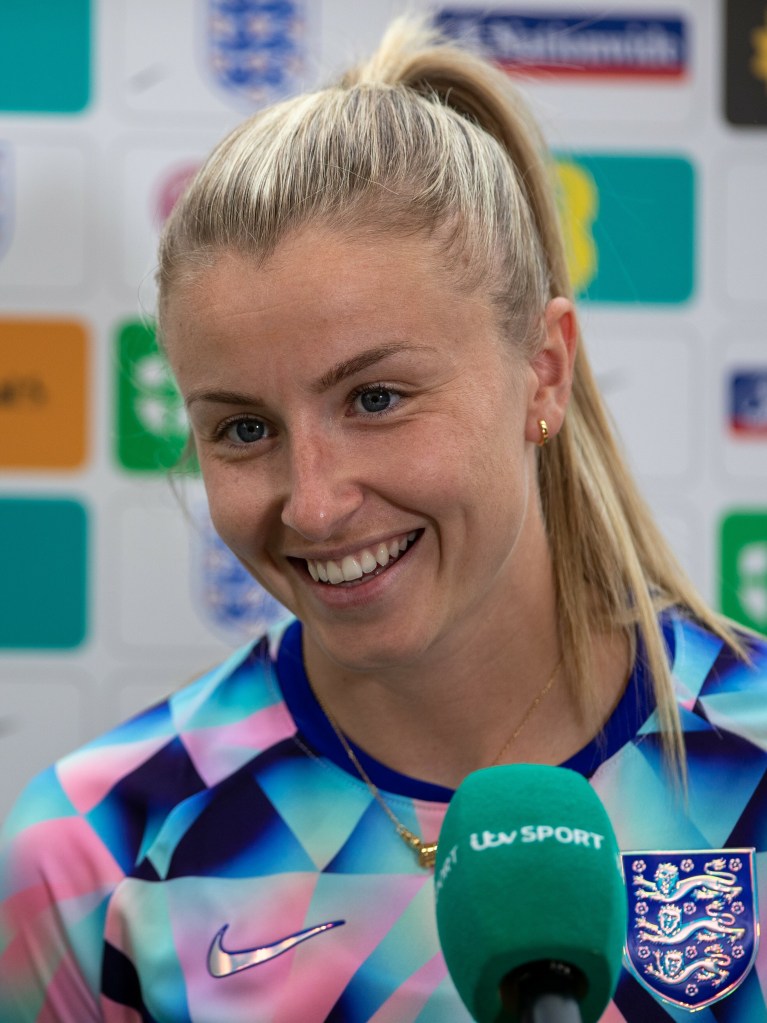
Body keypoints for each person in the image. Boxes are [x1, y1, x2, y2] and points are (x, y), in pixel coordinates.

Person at [2, 16, 766, 1022]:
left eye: (374, 400)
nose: (312, 502)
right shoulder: (100, 851)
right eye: (241, 429)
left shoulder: (744, 762)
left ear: (542, 371)